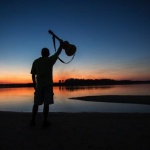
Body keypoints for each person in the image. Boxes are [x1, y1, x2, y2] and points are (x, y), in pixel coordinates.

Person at [30, 40, 64, 127]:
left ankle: (33, 121)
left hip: (39, 86)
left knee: (36, 103)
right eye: (49, 52)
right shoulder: (50, 60)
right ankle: (44, 122)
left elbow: (33, 75)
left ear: (41, 53)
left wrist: (35, 86)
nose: (49, 53)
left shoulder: (36, 61)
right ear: (47, 53)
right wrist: (61, 45)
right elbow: (58, 53)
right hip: (48, 85)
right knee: (46, 104)